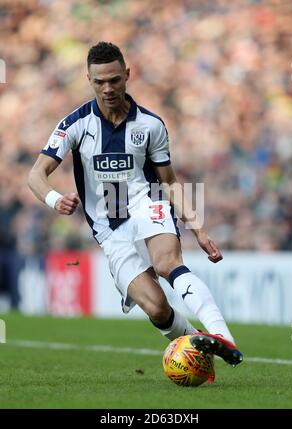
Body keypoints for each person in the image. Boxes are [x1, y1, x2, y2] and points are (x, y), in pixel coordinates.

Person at [28, 42, 243, 380]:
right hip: (109, 229)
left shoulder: (151, 125)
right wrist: (55, 199)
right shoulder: (75, 125)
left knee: (167, 263)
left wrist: (198, 227)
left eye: (114, 79)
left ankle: (222, 336)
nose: (108, 88)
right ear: (89, 79)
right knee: (157, 309)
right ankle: (196, 348)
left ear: (127, 75)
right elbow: (36, 174)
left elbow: (169, 181)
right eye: (100, 82)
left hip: (147, 203)